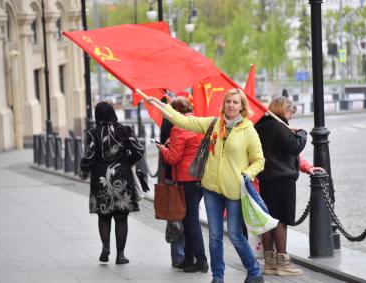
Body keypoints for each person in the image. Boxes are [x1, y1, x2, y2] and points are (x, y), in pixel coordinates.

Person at [148, 88, 266, 283]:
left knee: (236, 235)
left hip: (234, 191)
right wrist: (160, 105)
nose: (230, 105)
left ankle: (254, 272)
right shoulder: (213, 124)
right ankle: (217, 277)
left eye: (235, 102)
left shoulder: (248, 130)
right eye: (228, 101)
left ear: (242, 106)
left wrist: (247, 174)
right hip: (211, 189)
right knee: (214, 237)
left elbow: (259, 160)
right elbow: (183, 121)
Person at [254, 96, 321, 276]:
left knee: (268, 220)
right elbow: (294, 146)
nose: (291, 117)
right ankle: (282, 263)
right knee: (281, 220)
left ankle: (269, 262)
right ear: (284, 110)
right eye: (291, 112)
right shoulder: (279, 126)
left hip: (265, 179)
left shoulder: (259, 127)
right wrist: (302, 133)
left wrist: (306, 166)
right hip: (282, 180)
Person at [79, 101, 144, 265]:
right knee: (121, 217)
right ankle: (120, 255)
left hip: (100, 177)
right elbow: (138, 150)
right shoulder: (125, 129)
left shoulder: (93, 133)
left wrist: (84, 170)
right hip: (121, 174)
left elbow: (89, 155)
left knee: (104, 215)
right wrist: (128, 162)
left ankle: (106, 246)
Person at [156, 96, 209, 273]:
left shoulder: (179, 128)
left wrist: (163, 149)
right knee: (188, 218)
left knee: (190, 219)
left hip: (186, 178)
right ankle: (188, 257)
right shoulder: (198, 123)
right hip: (200, 176)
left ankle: (200, 259)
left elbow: (173, 157)